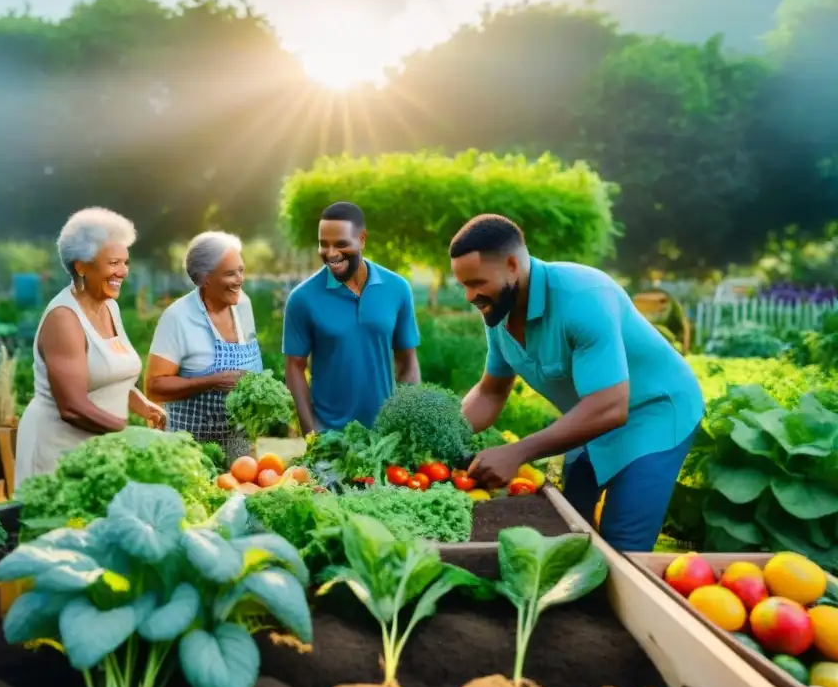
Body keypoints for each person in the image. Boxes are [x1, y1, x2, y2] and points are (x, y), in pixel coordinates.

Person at [450, 214, 704, 552]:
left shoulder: (583, 296)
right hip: (591, 414)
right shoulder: (498, 310)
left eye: (477, 282)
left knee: (622, 545)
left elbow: (611, 407)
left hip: (654, 412)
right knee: (568, 524)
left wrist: (518, 451)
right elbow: (491, 391)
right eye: (463, 285)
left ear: (512, 264)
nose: (470, 296)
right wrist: (444, 434)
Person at [15, 207, 166, 488]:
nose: (123, 271)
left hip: (97, 452)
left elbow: (106, 374)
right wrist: (130, 434)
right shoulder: (64, 319)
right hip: (58, 456)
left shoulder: (109, 306)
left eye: (125, 262)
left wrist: (142, 405)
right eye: (113, 263)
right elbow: (72, 407)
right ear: (81, 265)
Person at [283, 201, 421, 434]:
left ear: (362, 239)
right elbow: (294, 367)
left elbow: (407, 361)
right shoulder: (302, 299)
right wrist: (311, 432)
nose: (331, 253)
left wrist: (406, 424)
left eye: (341, 244)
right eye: (323, 244)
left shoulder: (397, 288)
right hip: (329, 437)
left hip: (385, 437)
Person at [146, 231, 260, 461]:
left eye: (241, 270)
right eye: (230, 273)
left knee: (246, 494)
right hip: (190, 450)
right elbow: (154, 387)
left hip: (239, 444)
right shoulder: (177, 318)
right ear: (205, 278)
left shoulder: (243, 304)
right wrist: (211, 381)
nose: (239, 279)